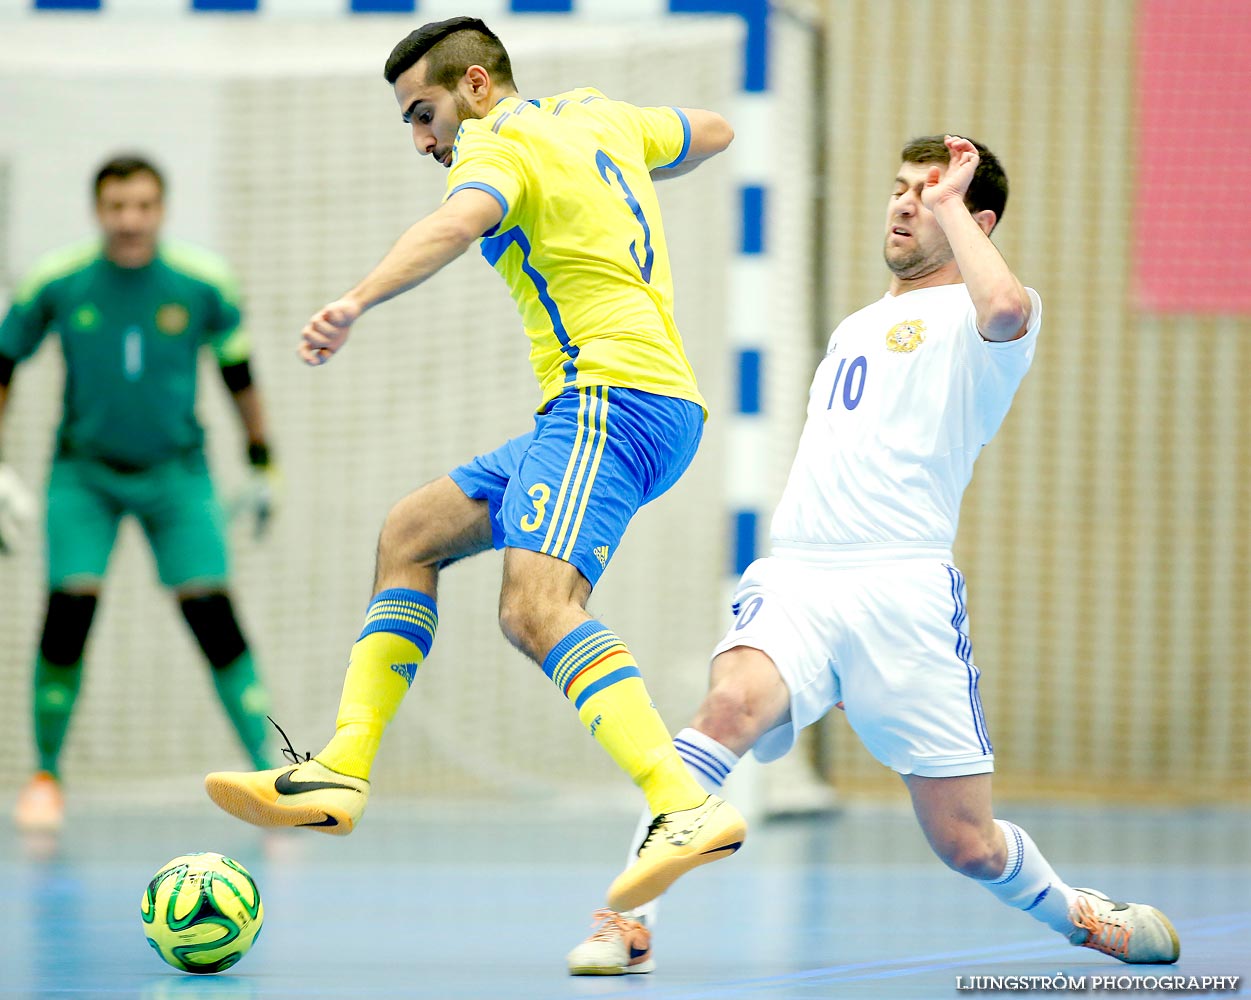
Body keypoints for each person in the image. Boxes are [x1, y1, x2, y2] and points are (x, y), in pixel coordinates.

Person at [566, 134, 1181, 976]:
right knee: (725, 709)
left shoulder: (990, 314)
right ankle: (625, 918)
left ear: (975, 219)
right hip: (802, 575)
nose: (903, 203)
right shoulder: (855, 325)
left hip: (902, 589)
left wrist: (949, 211)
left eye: (928, 194)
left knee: (965, 843)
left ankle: (1074, 912)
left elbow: (1000, 309)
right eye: (900, 188)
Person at [203, 16, 745, 909]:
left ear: (478, 88)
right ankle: (342, 768)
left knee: (536, 606)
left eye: (424, 114)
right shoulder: (594, 115)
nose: (422, 139)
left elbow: (458, 223)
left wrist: (354, 300)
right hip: (607, 405)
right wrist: (626, 166)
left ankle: (680, 800)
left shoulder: (493, 148)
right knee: (411, 532)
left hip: (612, 401)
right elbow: (714, 130)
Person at [0, 154, 279, 832]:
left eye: (144, 206)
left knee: (214, 616)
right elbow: (5, 361)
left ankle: (268, 775)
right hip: (83, 474)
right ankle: (45, 778)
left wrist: (261, 461)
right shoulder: (57, 283)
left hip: (176, 476)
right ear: (99, 211)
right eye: (117, 207)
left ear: (162, 210)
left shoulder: (202, 284)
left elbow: (238, 373)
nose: (131, 220)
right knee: (69, 613)